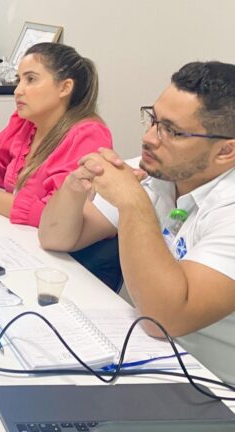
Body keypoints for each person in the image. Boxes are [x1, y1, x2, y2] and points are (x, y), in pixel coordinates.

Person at [38, 61, 235, 383]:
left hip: (211, 386)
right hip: (143, 355)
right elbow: (56, 238)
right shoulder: (158, 172)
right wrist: (75, 186)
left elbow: (165, 319)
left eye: (171, 131)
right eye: (153, 119)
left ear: (225, 151)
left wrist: (132, 203)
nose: (149, 138)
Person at [0, 42, 112, 227]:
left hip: (59, 252)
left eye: (31, 79)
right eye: (19, 80)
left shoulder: (88, 136)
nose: (17, 91)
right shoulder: (26, 122)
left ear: (65, 88)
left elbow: (54, 216)